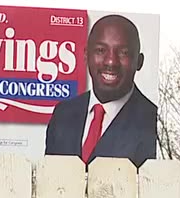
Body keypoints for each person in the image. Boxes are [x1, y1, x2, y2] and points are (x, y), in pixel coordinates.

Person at [44, 13, 158, 168]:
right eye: (100, 50)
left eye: (123, 52)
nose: (111, 61)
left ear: (139, 61)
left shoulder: (153, 122)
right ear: (86, 55)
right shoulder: (63, 114)